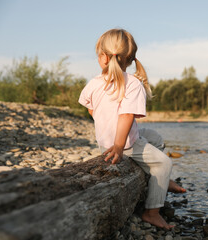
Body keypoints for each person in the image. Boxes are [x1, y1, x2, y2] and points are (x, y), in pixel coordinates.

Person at [78, 29, 185, 229]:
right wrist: (118, 146)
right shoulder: (132, 83)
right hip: (125, 144)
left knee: (155, 137)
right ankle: (152, 212)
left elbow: (90, 108)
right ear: (130, 60)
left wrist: (106, 128)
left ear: (102, 57)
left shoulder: (94, 83)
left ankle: (163, 180)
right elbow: (126, 116)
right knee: (164, 163)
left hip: (109, 142)